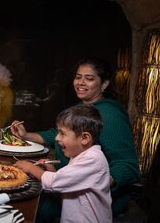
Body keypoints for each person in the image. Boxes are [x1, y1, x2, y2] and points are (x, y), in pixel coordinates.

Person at [11, 57, 140, 222]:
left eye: (90, 78)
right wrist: (26, 135)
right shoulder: (82, 110)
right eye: (78, 77)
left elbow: (128, 165)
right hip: (70, 182)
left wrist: (97, 185)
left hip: (94, 198)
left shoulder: (109, 115)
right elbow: (57, 135)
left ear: (104, 84)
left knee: (32, 205)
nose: (81, 82)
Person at [15, 104, 112, 223]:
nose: (56, 138)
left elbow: (55, 182)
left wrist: (31, 168)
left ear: (85, 138)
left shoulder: (93, 159)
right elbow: (69, 181)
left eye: (62, 133)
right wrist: (51, 171)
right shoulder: (82, 155)